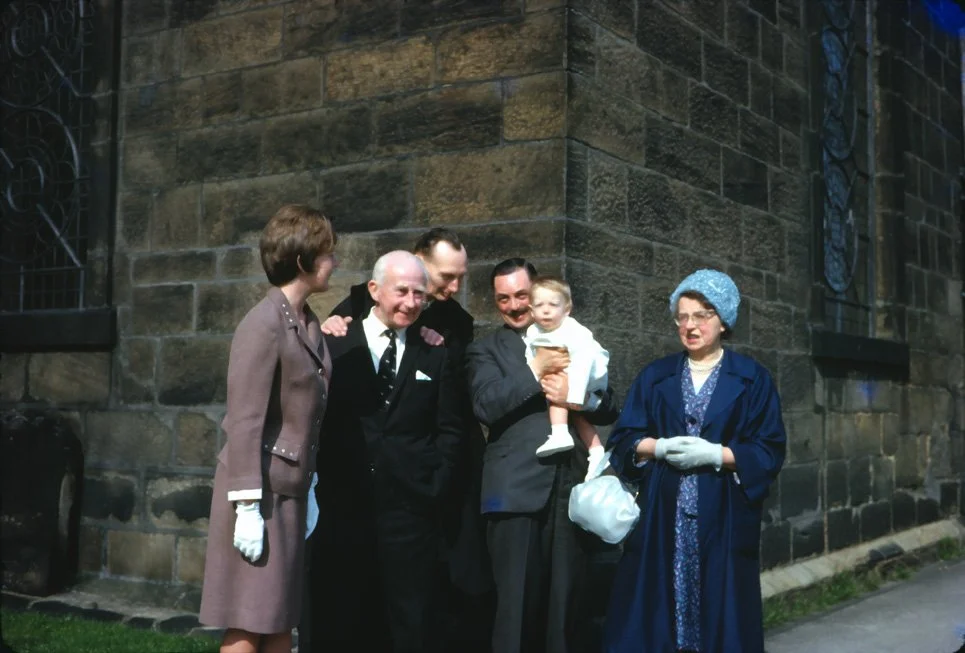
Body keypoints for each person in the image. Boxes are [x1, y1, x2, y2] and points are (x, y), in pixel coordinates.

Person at [310, 227, 492, 653]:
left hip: (412, 511)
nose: (412, 302)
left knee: (410, 621)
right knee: (344, 617)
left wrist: (435, 480)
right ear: (375, 290)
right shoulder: (336, 342)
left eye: (420, 294)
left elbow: (450, 426)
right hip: (346, 505)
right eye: (403, 292)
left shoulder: (437, 347)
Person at [602, 269, 787, 653]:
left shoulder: (752, 380)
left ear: (724, 321)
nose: (690, 325)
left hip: (723, 517)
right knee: (654, 614)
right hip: (661, 519)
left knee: (722, 617)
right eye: (682, 316)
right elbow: (622, 440)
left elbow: (769, 449)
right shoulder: (655, 377)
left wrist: (718, 455)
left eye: (702, 315)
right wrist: (657, 448)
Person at [199, 204, 337, 653]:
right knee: (248, 619)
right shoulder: (262, 323)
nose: (333, 261)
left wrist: (310, 482)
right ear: (303, 260)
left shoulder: (306, 322)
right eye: (327, 252)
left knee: (280, 617)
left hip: (289, 492)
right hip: (258, 495)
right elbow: (244, 419)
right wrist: (246, 506)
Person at [466, 258, 620, 653]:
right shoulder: (485, 350)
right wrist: (536, 368)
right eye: (504, 299)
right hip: (514, 491)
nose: (515, 306)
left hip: (570, 488)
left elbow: (609, 404)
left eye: (522, 295)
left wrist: (581, 394)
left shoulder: (574, 334)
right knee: (515, 608)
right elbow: (486, 405)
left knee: (567, 607)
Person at [525, 276, 610, 479]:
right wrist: (535, 374)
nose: (546, 310)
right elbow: (529, 358)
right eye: (539, 305)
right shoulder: (532, 332)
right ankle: (596, 450)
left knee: (561, 396)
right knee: (573, 411)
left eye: (553, 305)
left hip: (589, 374)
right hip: (562, 379)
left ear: (567, 309)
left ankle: (560, 433)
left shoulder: (575, 331)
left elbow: (584, 360)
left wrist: (575, 394)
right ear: (531, 310)